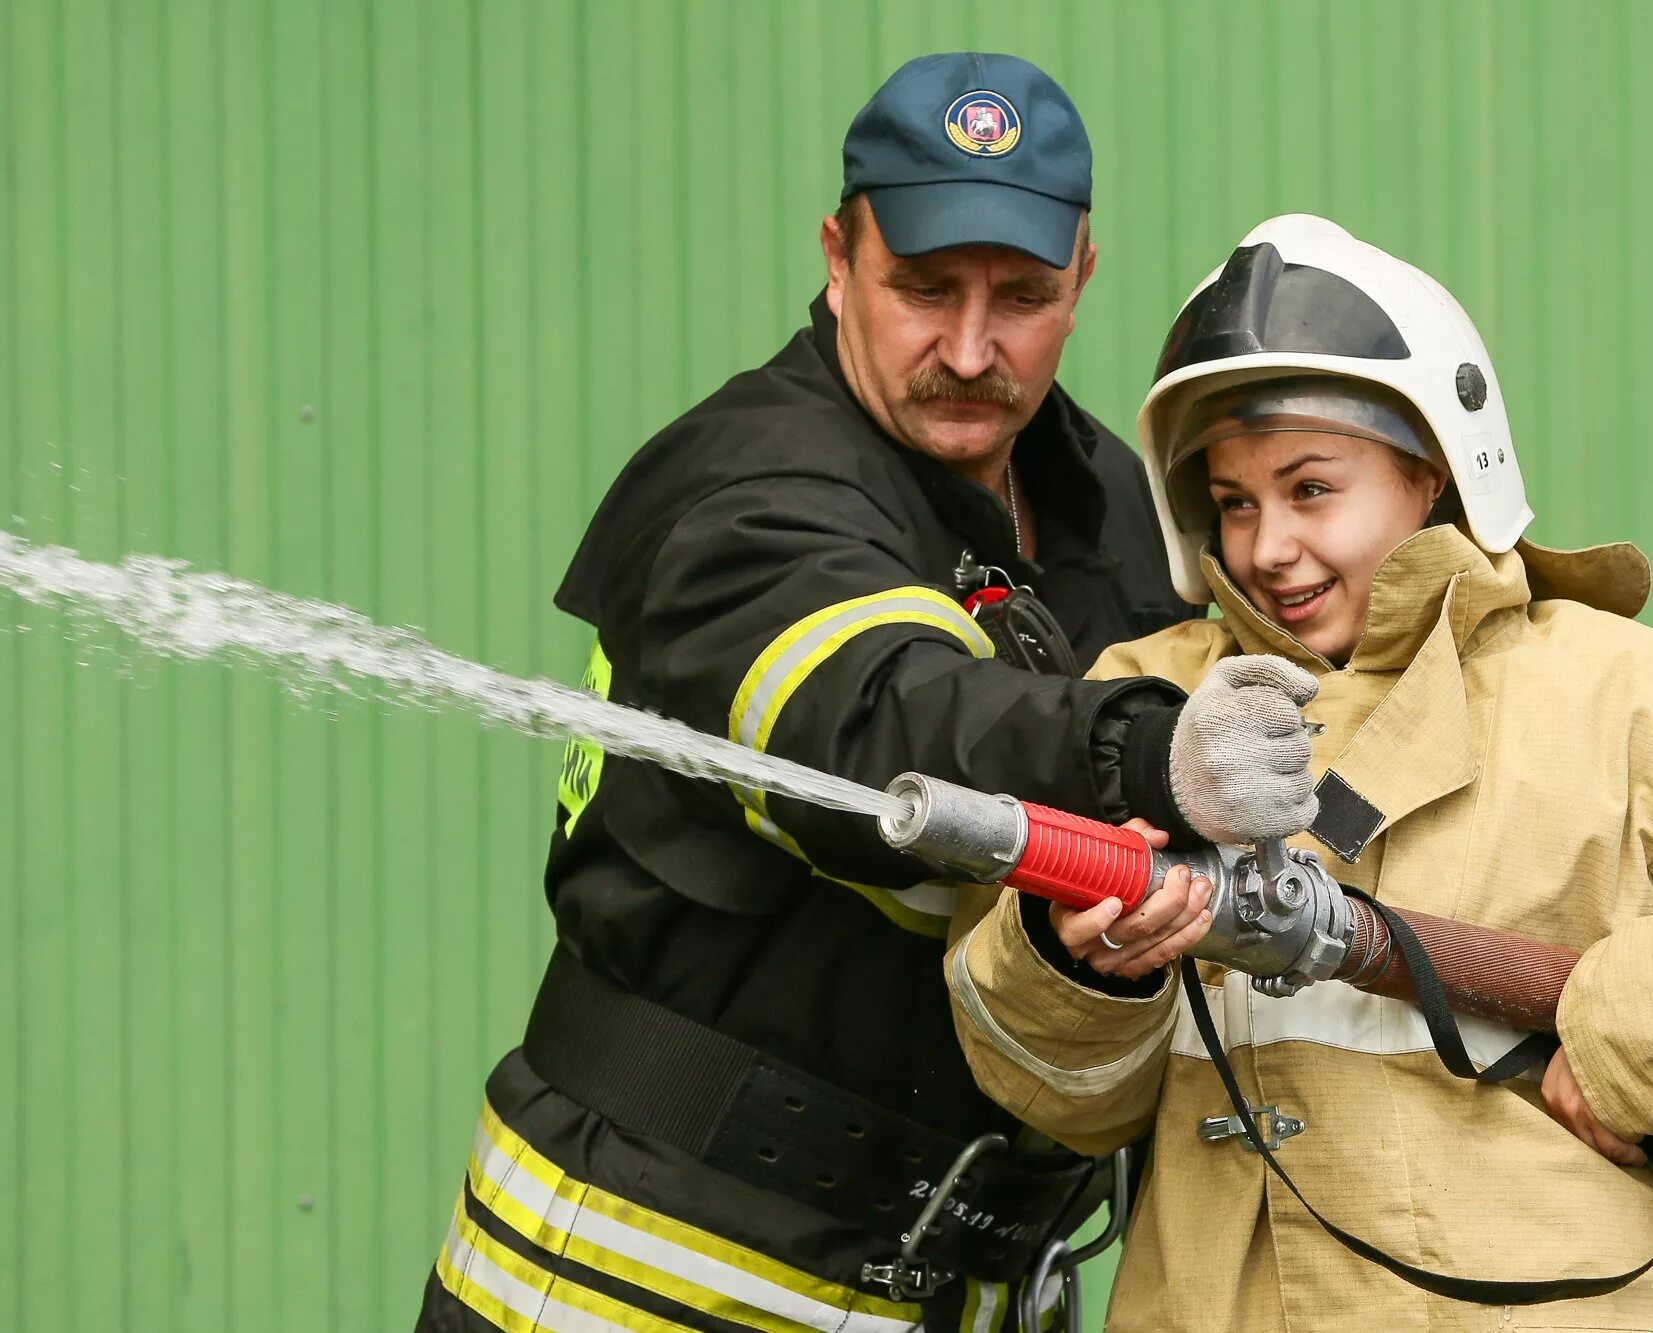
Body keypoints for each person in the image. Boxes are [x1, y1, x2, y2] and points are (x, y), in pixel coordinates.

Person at [946, 214, 1653, 1331]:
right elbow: (1054, 1093)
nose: (1265, 548)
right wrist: (1085, 972)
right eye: (1234, 500)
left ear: (1430, 471)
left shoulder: (1625, 697)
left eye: (1309, 489)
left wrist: (1644, 1017)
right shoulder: (1145, 708)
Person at [415, 58, 1321, 1333]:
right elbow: (883, 730)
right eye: (920, 288)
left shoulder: (1106, 498)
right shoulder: (742, 487)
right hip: (647, 1263)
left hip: (955, 1275)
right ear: (838, 256)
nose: (967, 348)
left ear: (1083, 281)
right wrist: (1151, 752)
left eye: (1021, 298)